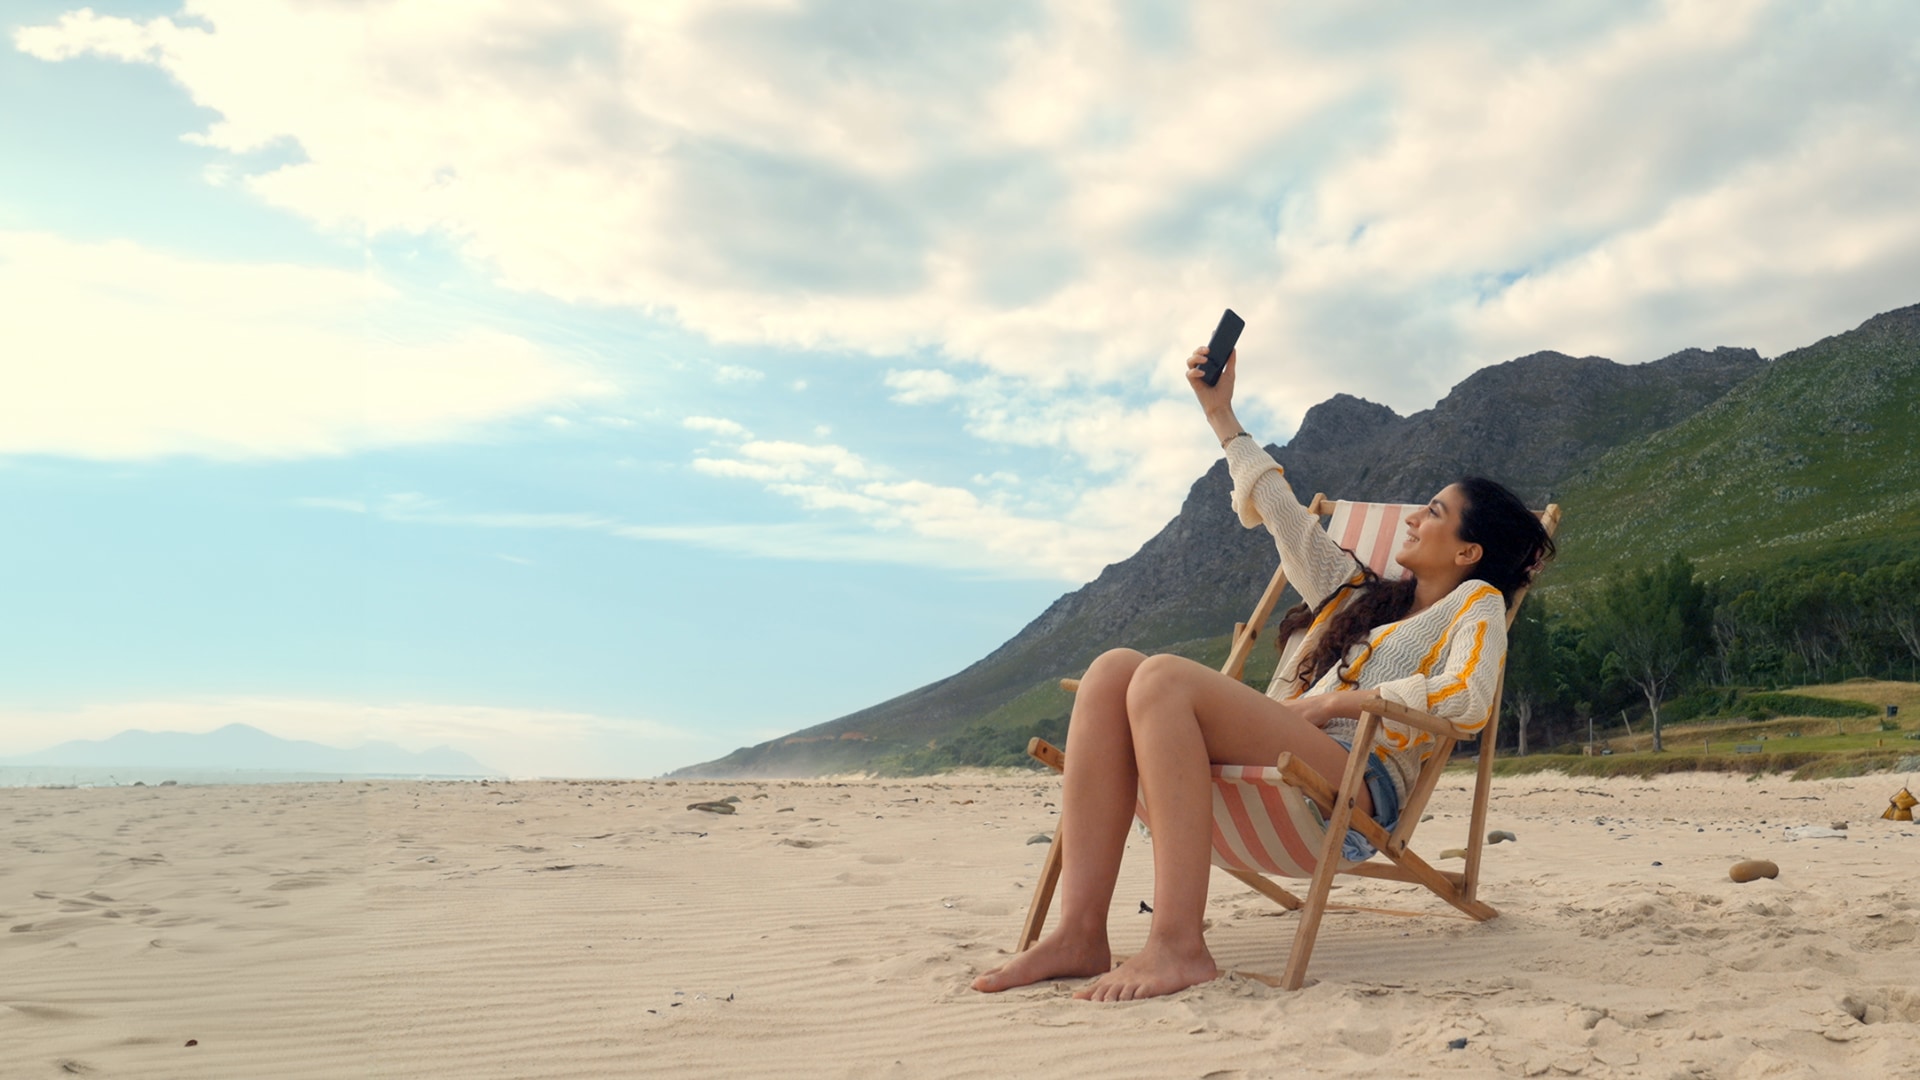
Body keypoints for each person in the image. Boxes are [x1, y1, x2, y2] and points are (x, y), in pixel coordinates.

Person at [972, 343, 1555, 1002]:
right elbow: (1278, 506)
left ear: (1469, 550)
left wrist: (1340, 705)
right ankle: (1079, 933)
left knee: (1161, 677)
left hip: (1350, 783)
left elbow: (1470, 701)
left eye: (1434, 513)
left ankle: (1178, 945)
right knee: (1111, 672)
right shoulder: (1352, 590)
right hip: (1284, 755)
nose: (1414, 518)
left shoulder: (1472, 604)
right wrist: (1221, 414)